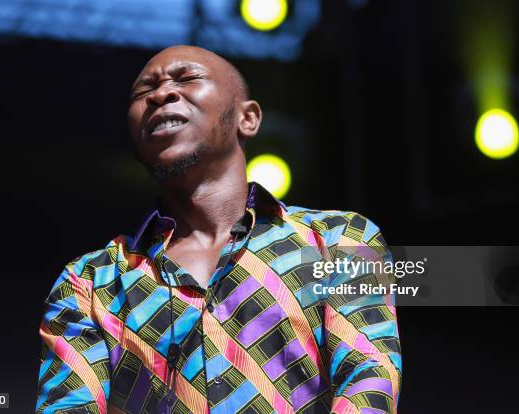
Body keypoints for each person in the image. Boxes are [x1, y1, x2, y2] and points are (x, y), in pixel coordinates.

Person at [36, 45, 402, 414]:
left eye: (187, 78)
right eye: (142, 92)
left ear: (248, 119)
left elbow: (368, 380)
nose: (161, 94)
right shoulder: (90, 283)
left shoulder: (341, 240)